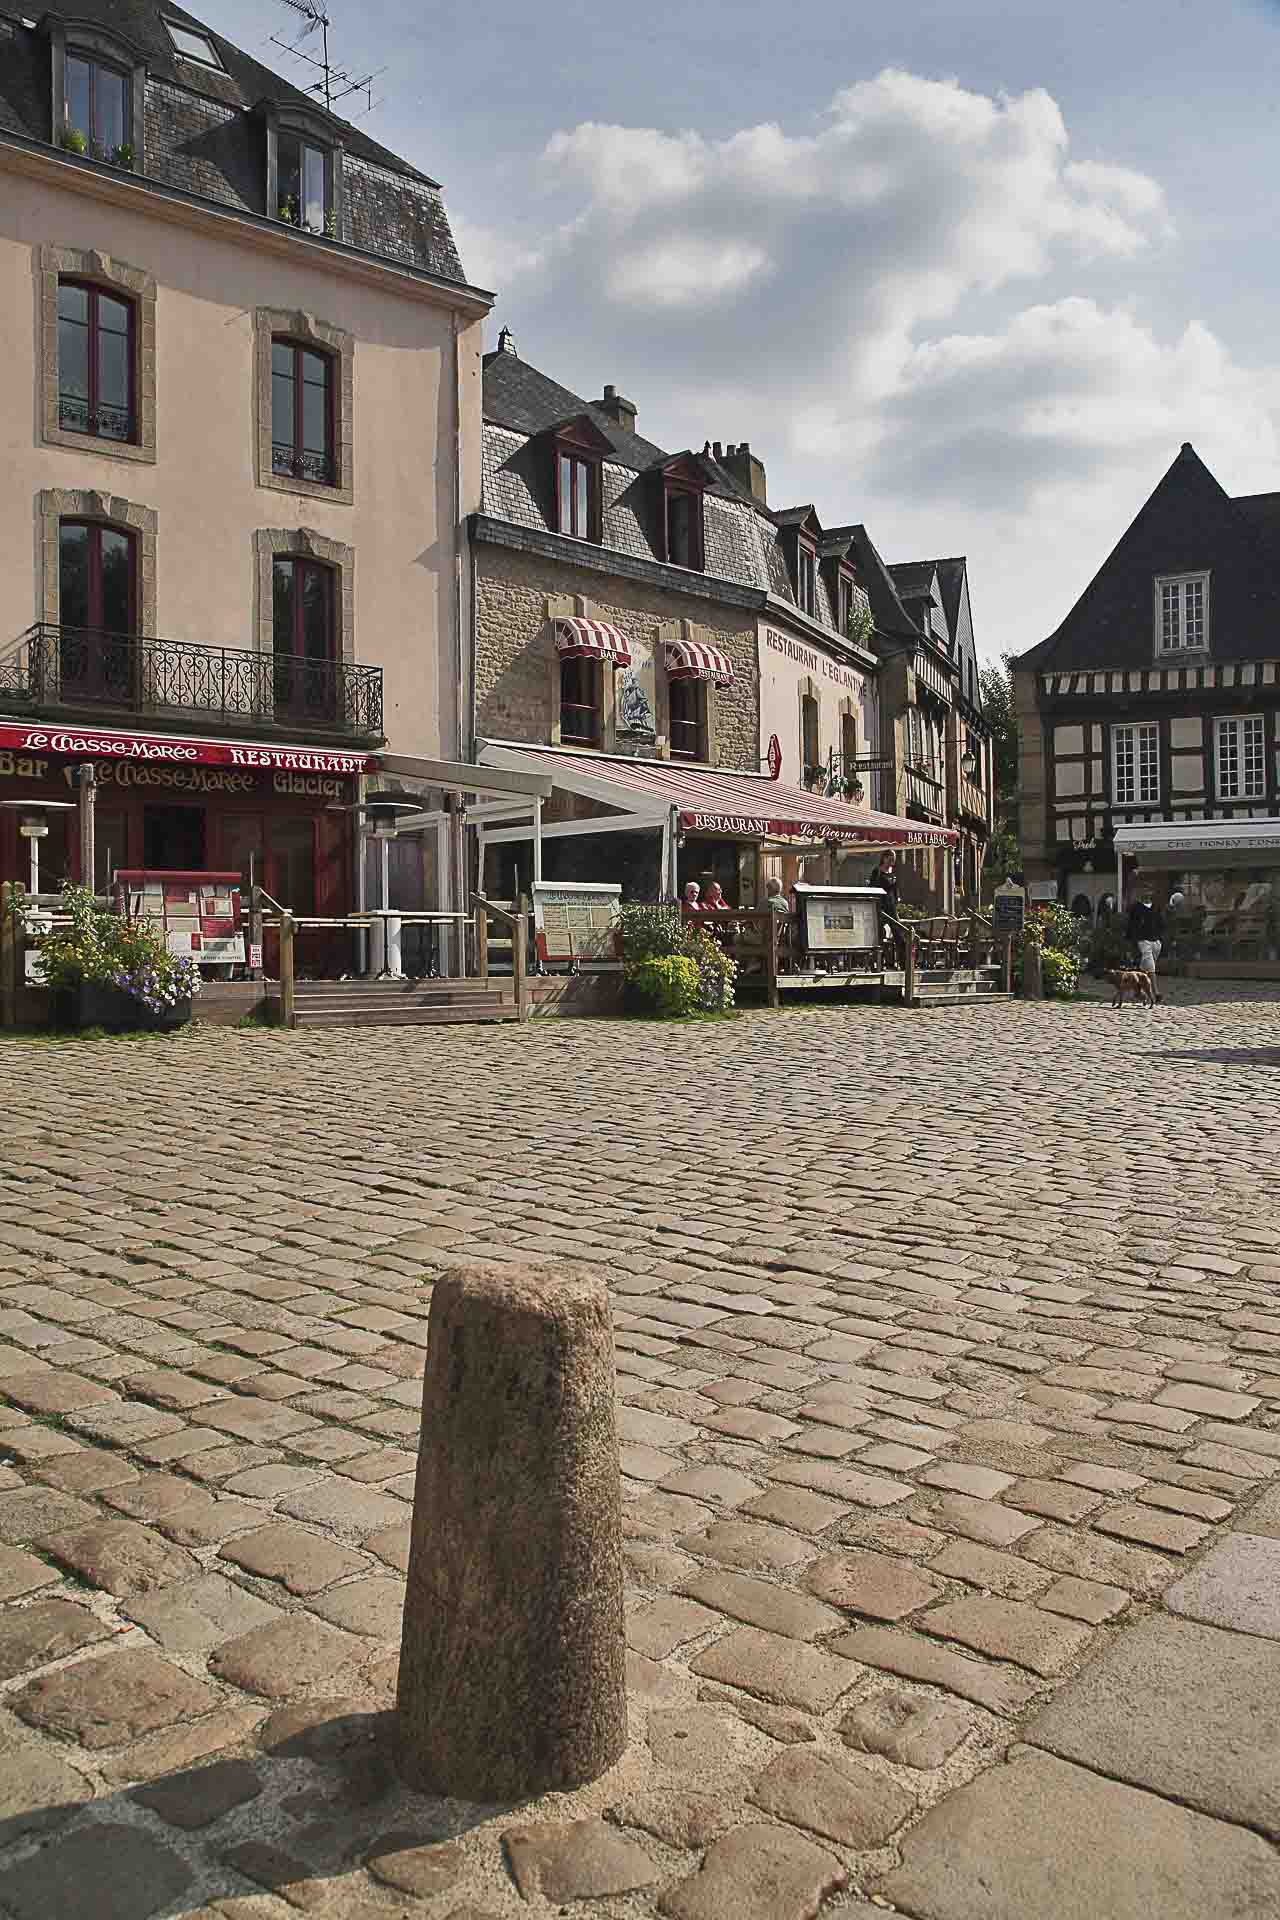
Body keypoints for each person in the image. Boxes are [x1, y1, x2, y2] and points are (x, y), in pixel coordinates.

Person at [1125, 877, 1165, 1003]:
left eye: (1149, 890)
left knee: (1144, 969)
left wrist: (1160, 938)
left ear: (1152, 892)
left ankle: (1137, 990)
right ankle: (1156, 992)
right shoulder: (1136, 908)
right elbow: (1130, 926)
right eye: (1144, 890)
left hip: (1156, 941)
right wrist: (1130, 942)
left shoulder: (1156, 907)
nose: (1146, 892)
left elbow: (1161, 923)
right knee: (1151, 967)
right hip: (1143, 941)